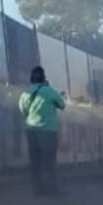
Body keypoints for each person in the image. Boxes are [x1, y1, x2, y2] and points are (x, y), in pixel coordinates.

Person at [18, 66, 66, 196]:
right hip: (48, 131)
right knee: (49, 161)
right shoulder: (49, 91)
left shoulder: (25, 93)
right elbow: (62, 105)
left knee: (35, 162)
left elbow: (23, 111)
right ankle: (53, 189)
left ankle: (38, 190)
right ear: (43, 78)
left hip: (31, 131)